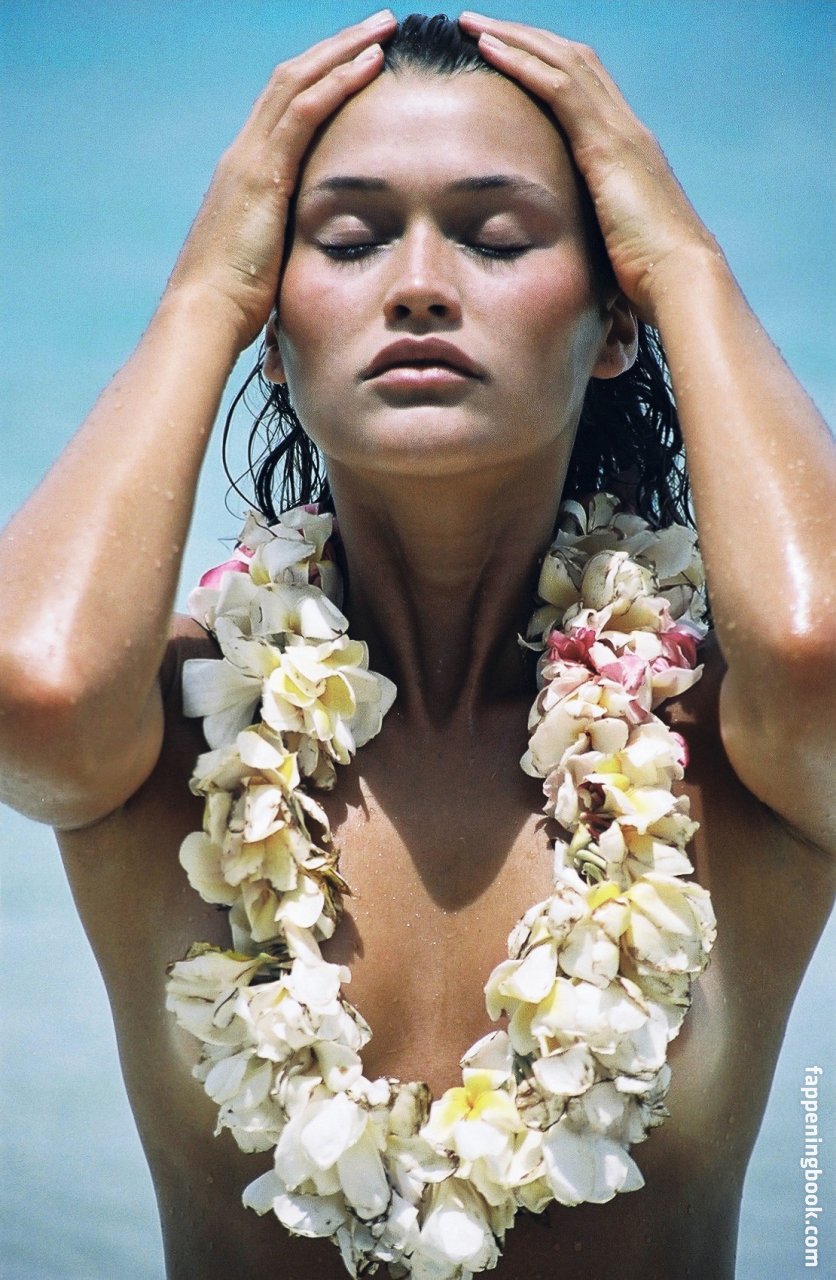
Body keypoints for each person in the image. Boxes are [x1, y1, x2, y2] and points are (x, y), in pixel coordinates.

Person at [0, 9, 834, 1279]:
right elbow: (34, 689)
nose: (419, 283)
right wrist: (201, 295)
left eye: (496, 237)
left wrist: (682, 260)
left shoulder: (729, 745)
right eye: (348, 240)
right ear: (270, 331)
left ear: (614, 322)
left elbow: (818, 648)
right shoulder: (174, 731)